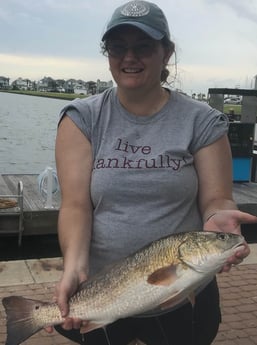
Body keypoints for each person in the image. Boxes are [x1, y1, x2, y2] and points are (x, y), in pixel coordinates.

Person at [46, 1, 257, 344]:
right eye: (118, 47)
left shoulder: (201, 121)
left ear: (166, 53)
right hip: (104, 288)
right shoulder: (81, 118)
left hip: (183, 291)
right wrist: (73, 266)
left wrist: (218, 219)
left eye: (143, 46)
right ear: (108, 53)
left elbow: (216, 198)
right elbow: (76, 206)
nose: (129, 57)